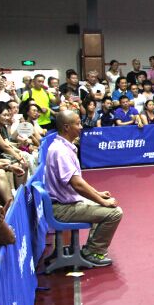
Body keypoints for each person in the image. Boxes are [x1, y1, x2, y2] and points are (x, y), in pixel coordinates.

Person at [45, 110, 123, 266]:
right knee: (114, 213)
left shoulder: (63, 146)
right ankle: (93, 252)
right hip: (62, 209)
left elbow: (78, 181)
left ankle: (90, 249)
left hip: (66, 203)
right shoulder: (61, 152)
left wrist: (97, 194)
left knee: (103, 205)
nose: (81, 127)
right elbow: (77, 184)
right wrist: (102, 201)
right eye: (78, 124)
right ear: (66, 127)